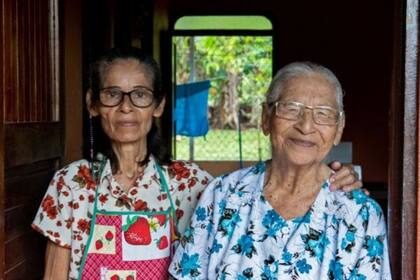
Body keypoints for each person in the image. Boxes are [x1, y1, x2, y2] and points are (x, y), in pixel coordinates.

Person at [32, 48, 362, 280]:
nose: (126, 107)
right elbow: (54, 275)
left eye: (141, 95)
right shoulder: (71, 183)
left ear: (159, 105)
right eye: (111, 94)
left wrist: (325, 174)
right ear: (92, 104)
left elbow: (265, 186)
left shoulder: (191, 183)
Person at [169, 62, 391, 279]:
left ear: (339, 129)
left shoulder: (360, 215)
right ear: (266, 118)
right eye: (291, 108)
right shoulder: (223, 195)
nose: (305, 126)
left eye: (323, 113)